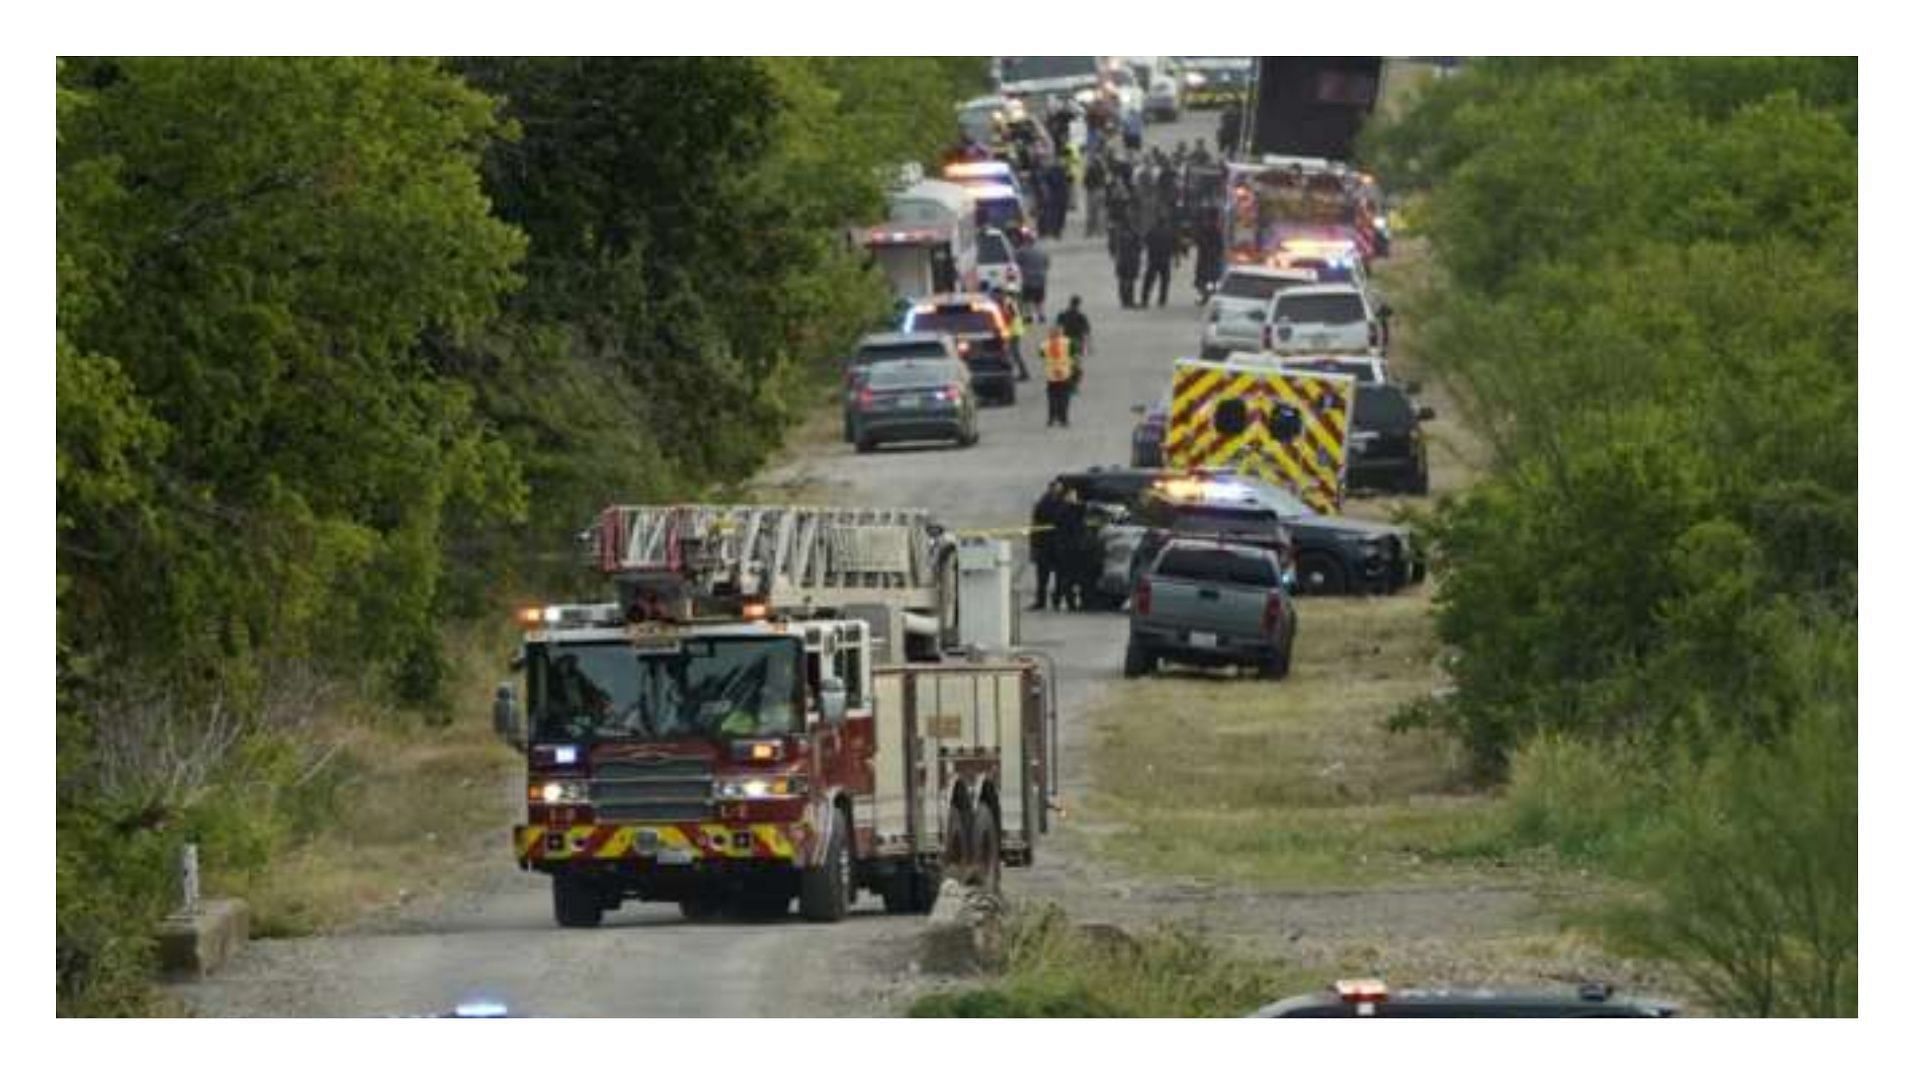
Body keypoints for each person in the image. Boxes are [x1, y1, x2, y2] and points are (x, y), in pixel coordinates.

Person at [1029, 483, 1065, 611]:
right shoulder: (1043, 503)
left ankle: (1056, 600)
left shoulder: (1063, 502)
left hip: (1058, 545)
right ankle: (1041, 601)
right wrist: (1034, 547)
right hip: (1045, 545)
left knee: (1060, 577)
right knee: (1042, 577)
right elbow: (1035, 525)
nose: (1056, 490)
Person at [1052, 489, 1087, 610]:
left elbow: (1083, 510)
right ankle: (1067, 601)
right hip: (1065, 550)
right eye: (1071, 496)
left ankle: (1077, 601)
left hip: (1077, 550)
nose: (1074, 498)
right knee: (1065, 578)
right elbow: (1058, 520)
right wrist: (1068, 504)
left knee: (1076, 578)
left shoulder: (1077, 509)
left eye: (1075, 496)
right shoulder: (1062, 510)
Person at [992, 287, 1030, 381]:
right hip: (1014, 329)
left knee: (1014, 353)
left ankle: (1022, 373)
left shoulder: (1007, 303)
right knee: (1012, 353)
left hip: (1014, 330)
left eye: (995, 296)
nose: (994, 298)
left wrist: (1002, 327)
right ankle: (1019, 373)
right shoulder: (1008, 301)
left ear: (1000, 294)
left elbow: (1010, 317)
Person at [1042, 325, 1075, 427]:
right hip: (1065, 373)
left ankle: (1051, 419)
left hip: (1051, 374)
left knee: (1052, 398)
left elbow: (1041, 355)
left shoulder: (1044, 344)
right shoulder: (1068, 342)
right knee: (1064, 397)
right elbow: (1073, 354)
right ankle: (1063, 419)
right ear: (1061, 332)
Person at [1142, 218, 1177, 308]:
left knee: (1149, 280)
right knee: (1165, 281)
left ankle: (1145, 299)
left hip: (1153, 259)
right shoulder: (1169, 232)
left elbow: (1145, 242)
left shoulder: (1152, 231)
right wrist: (1176, 259)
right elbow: (1174, 245)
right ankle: (1162, 299)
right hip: (1165, 260)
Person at [1014, 236, 1050, 322]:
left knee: (1027, 299)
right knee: (1039, 299)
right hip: (1041, 278)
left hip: (1028, 279)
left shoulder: (1022, 251)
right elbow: (1047, 264)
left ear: (1026, 241)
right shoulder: (1042, 251)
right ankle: (1041, 315)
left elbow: (1015, 262)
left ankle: (1028, 316)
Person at [1114, 223, 1143, 308]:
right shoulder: (1134, 236)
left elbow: (1117, 249)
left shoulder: (1120, 237)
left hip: (1122, 262)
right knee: (1130, 282)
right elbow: (1139, 248)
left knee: (1122, 282)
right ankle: (1129, 300)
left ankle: (1124, 301)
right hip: (1130, 262)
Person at [1055, 295, 1092, 361]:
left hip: (1066, 335)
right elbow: (1087, 329)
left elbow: (1058, 325)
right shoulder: (1081, 316)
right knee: (1075, 353)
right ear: (1079, 304)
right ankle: (1082, 353)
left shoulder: (1063, 314)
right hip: (1076, 337)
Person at [1083, 151, 1108, 238]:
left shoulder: (1090, 168)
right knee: (1101, 212)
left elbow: (1085, 181)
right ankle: (1101, 232)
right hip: (1102, 190)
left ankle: (1089, 232)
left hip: (1092, 192)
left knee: (1091, 212)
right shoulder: (1103, 168)